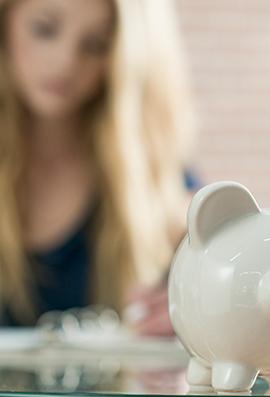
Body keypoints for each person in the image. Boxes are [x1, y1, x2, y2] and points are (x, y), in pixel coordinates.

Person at [0, 0, 199, 334]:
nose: (65, 61)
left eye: (96, 44)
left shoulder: (160, 182)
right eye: (44, 30)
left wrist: (196, 314)